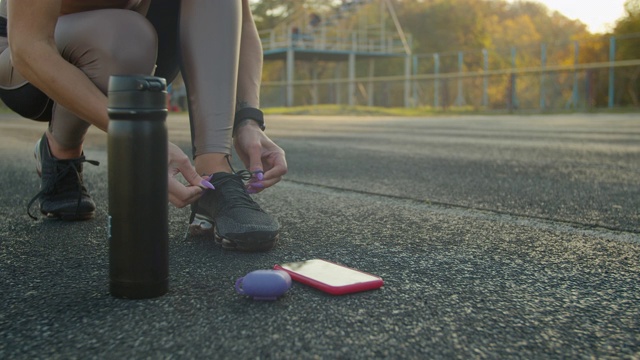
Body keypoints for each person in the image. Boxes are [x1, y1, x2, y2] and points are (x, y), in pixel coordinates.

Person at [0, 0, 287, 252]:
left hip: (136, 43)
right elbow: (28, 46)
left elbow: (242, 22)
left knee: (131, 33)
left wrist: (247, 119)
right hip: (22, 54)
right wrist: (140, 138)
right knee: (126, 37)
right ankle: (60, 149)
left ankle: (214, 171)